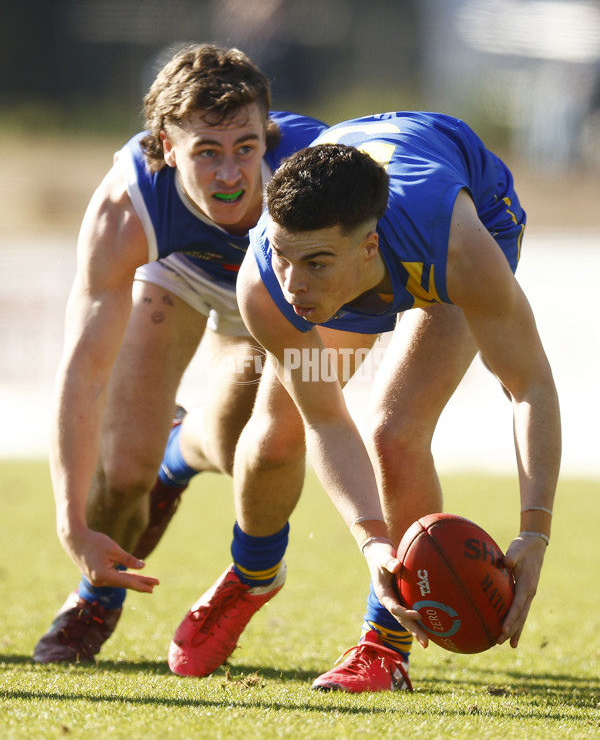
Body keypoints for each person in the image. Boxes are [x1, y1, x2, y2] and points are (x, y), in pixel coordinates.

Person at [166, 112, 561, 692]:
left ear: (369, 244)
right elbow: (324, 418)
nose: (294, 284)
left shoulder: (458, 250)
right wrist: (372, 540)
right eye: (282, 254)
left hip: (453, 219)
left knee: (394, 434)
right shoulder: (269, 284)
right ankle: (252, 575)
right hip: (368, 232)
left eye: (315, 263)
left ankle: (384, 649)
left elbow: (530, 386)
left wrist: (534, 531)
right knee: (277, 436)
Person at [33, 43, 327, 664]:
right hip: (177, 279)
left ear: (267, 135)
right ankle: (94, 598)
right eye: (206, 152)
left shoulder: (314, 174)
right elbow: (84, 371)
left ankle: (182, 446)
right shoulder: (127, 206)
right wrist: (70, 521)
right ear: (167, 148)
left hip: (276, 290)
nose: (230, 176)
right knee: (121, 472)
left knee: (233, 448)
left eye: (246, 148)